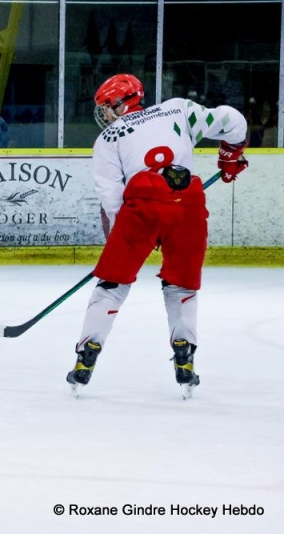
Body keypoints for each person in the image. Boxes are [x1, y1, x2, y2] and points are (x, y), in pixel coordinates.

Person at [66, 73, 249, 398]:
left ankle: (86, 354)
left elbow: (112, 198)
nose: (104, 114)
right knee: (181, 285)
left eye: (106, 106)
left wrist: (131, 236)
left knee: (112, 285)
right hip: (188, 203)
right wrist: (230, 155)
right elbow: (234, 121)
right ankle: (184, 354)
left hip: (141, 205)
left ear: (122, 104)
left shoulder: (108, 138)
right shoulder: (178, 110)